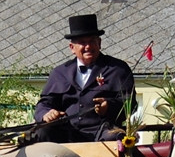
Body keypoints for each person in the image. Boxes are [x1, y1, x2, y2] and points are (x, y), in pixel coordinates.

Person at [34, 14, 135, 142]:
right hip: (66, 133)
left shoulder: (118, 69)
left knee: (115, 138)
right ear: (72, 48)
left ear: (99, 43)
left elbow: (130, 105)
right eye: (82, 43)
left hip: (102, 132)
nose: (88, 47)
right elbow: (44, 103)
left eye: (92, 41)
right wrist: (46, 113)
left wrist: (109, 106)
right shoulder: (60, 73)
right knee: (43, 131)